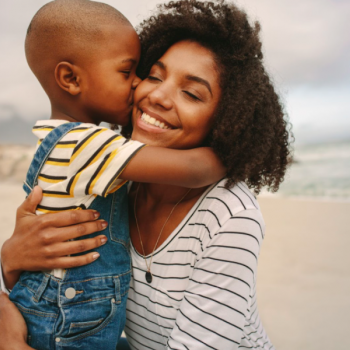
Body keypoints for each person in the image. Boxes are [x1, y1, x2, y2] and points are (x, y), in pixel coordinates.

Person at [0, 1, 292, 349]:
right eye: (152, 75)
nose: (156, 94)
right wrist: (11, 258)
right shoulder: (113, 174)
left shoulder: (229, 214)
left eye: (191, 93)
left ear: (228, 120)